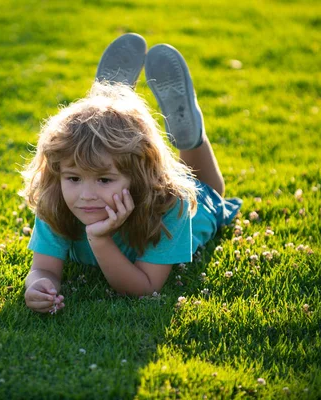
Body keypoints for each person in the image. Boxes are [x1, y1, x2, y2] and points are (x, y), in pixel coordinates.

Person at [20, 33, 242, 313]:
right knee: (98, 149)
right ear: (59, 173)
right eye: (74, 178)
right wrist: (38, 284)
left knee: (209, 188)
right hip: (121, 160)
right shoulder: (57, 201)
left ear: (139, 176)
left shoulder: (171, 206)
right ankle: (109, 111)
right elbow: (43, 268)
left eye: (104, 179)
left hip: (200, 205)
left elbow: (145, 287)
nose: (86, 196)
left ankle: (190, 137)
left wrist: (100, 240)